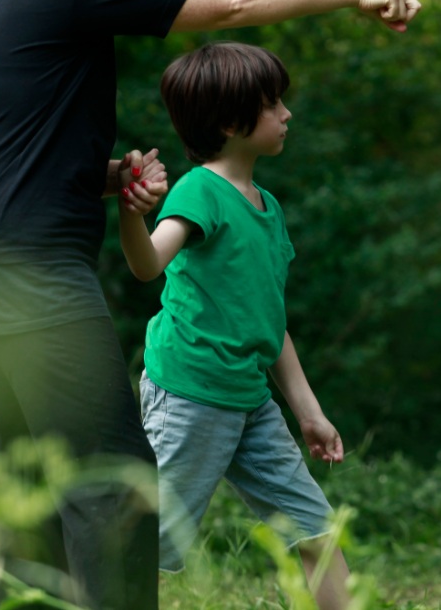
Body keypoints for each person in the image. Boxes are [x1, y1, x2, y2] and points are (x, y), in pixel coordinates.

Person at [0, 0, 441, 610]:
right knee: (116, 490)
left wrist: (100, 179)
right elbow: (226, 1)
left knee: (38, 496)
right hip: (29, 277)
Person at [119, 42, 351, 610]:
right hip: (191, 395)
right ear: (229, 122)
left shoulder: (267, 206)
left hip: (250, 402)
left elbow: (269, 322)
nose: (286, 114)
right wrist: (130, 211)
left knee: (315, 527)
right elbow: (149, 263)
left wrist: (309, 412)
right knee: (146, 545)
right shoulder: (201, 190)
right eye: (273, 104)